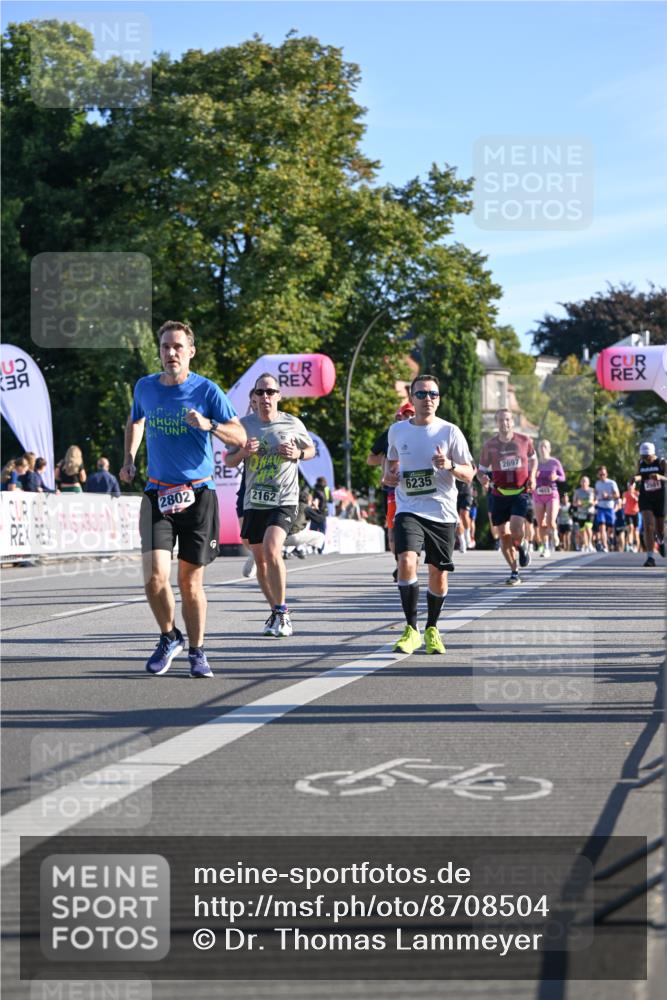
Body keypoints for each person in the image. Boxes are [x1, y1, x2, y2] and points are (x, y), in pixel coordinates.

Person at [120, 320, 245, 678]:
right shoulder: (145, 387)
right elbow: (136, 421)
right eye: (165, 347)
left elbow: (238, 435)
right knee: (154, 577)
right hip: (157, 491)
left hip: (198, 494)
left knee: (190, 582)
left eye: (178, 347)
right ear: (159, 351)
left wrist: (209, 425)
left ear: (191, 351)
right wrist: (129, 458)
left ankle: (197, 650)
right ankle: (168, 636)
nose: (171, 353)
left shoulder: (207, 391)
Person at [384, 374, 475, 655]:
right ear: (412, 399)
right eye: (421, 395)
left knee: (438, 574)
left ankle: (432, 628)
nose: (427, 399)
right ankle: (411, 629)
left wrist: (449, 465)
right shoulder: (397, 430)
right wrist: (389, 476)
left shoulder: (450, 431)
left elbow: (470, 474)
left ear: (439, 398)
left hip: (442, 511)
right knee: (406, 560)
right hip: (409, 508)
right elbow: (390, 465)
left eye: (433, 394)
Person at [224, 372, 315, 638]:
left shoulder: (292, 423)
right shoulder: (243, 426)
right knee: (261, 561)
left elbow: (310, 450)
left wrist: (297, 453)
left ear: (278, 396)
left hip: (284, 499)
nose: (266, 397)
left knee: (272, 550)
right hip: (255, 500)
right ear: (253, 398)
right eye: (260, 393)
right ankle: (275, 610)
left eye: (270, 392)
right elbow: (229, 461)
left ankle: (284, 611)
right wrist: (243, 453)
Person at [477, 408, 537, 586]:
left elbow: (534, 459)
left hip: (520, 492)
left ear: (513, 422)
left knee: (517, 529)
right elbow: (480, 471)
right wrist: (483, 479)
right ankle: (514, 571)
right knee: (503, 534)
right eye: (501, 420)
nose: (505, 423)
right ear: (497, 423)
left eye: (508, 420)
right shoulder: (490, 446)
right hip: (499, 494)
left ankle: (522, 544)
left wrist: (532, 476)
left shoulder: (524, 441)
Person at [367, 400, 416, 580]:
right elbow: (370, 458)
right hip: (392, 488)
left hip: (415, 488)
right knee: (393, 527)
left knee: (414, 525)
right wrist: (384, 463)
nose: (409, 418)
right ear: (399, 416)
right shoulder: (391, 434)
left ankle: (411, 560)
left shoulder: (424, 432)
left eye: (412, 414)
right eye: (406, 415)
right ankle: (399, 563)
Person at [634, 442, 666, 567]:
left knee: (659, 529)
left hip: (660, 498)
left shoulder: (662, 463)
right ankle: (650, 557)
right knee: (648, 525)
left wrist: (660, 477)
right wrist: (633, 479)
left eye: (647, 457)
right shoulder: (641, 463)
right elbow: (639, 476)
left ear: (653, 454)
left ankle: (661, 542)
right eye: (643, 457)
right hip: (645, 497)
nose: (645, 460)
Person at [533, 439, 565, 558]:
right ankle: (546, 547)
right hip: (538, 494)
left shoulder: (555, 462)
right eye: (541, 446)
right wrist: (533, 475)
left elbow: (563, 477)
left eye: (545, 447)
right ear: (538, 449)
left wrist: (556, 476)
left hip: (552, 494)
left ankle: (554, 532)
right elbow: (527, 477)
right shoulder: (535, 463)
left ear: (549, 449)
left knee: (551, 521)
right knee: (541, 523)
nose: (543, 449)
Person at [283, 487, 326, 558]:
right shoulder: (306, 508)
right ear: (307, 500)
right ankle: (300, 549)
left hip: (282, 535)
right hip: (292, 537)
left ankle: (294, 549)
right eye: (311, 500)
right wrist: (317, 508)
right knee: (321, 536)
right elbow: (320, 519)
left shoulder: (293, 505)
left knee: (302, 529)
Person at [593, 466, 620, 553]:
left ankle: (609, 538)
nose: (602, 476)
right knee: (602, 527)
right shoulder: (597, 483)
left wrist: (608, 496)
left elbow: (617, 495)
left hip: (610, 507)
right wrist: (595, 497)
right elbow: (596, 494)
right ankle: (605, 546)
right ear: (598, 475)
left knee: (610, 528)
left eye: (603, 474)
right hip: (601, 507)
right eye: (600, 475)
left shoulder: (612, 483)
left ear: (606, 474)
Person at [572, 475, 595, 552]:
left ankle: (590, 543)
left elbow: (597, 500)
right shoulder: (577, 491)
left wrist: (593, 503)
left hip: (589, 512)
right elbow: (574, 503)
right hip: (581, 512)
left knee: (588, 528)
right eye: (583, 481)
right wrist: (577, 503)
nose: (584, 482)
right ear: (580, 482)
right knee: (582, 530)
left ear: (588, 483)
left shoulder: (592, 490)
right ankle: (585, 545)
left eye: (585, 481)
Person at [622, 479, 640, 552]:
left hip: (635, 513)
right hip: (628, 513)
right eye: (629, 486)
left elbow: (638, 501)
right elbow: (624, 500)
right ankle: (630, 544)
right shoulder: (625, 493)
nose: (630, 488)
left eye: (631, 486)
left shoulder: (637, 493)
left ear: (634, 487)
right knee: (630, 528)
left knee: (636, 531)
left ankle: (636, 546)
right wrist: (623, 503)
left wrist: (633, 497)